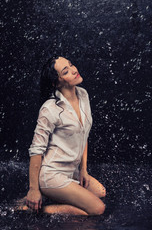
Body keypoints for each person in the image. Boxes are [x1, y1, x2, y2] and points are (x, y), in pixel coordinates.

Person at [25, 56, 106, 215]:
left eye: (71, 65)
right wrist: (33, 189)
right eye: (66, 71)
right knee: (97, 209)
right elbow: (36, 150)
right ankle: (35, 208)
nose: (74, 70)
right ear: (56, 82)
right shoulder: (49, 109)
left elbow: (84, 134)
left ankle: (56, 196)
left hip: (71, 170)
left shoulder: (83, 95)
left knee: (100, 192)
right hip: (51, 174)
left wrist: (84, 170)